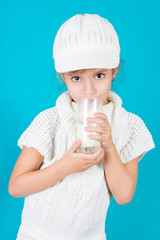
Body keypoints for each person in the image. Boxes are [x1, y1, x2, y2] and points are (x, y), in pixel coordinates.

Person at [9, 13, 155, 240]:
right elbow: (16, 187)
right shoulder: (50, 120)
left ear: (114, 71)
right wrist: (65, 166)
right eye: (76, 78)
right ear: (64, 78)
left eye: (99, 75)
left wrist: (109, 145)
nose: (89, 90)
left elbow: (124, 195)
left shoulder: (130, 125)